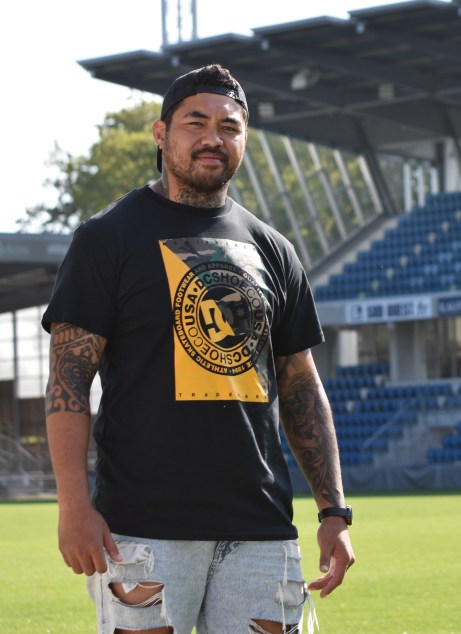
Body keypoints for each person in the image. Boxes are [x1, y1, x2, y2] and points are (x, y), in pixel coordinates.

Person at [43, 63, 354, 634]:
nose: (213, 137)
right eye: (196, 123)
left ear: (243, 141)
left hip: (260, 527)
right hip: (143, 527)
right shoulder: (106, 238)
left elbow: (302, 386)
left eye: (229, 127)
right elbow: (68, 381)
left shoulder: (274, 249)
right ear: (162, 134)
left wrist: (333, 511)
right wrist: (73, 505)